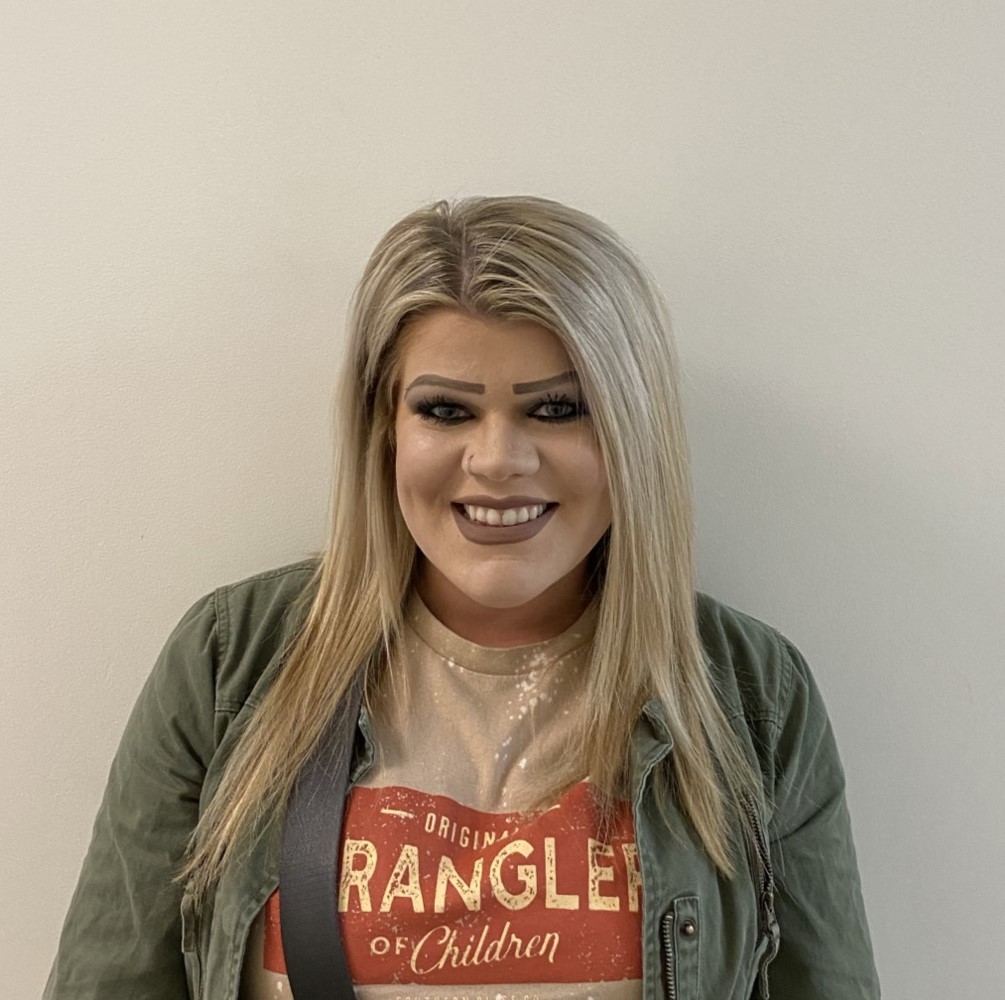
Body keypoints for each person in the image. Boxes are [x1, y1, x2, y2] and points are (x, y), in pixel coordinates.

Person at [44, 195, 880, 1000]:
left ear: (632, 431)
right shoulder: (229, 662)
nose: (498, 460)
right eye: (446, 410)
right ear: (385, 430)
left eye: (557, 409)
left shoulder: (752, 695)